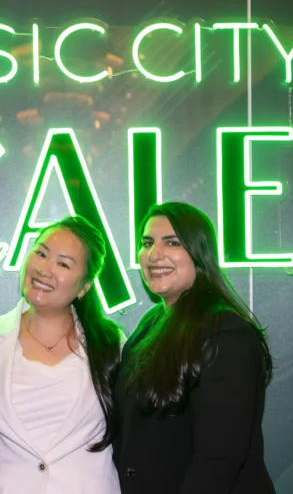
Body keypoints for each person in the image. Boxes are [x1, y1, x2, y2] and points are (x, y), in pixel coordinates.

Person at [113, 202, 275, 494]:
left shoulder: (225, 333)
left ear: (200, 253)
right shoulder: (152, 322)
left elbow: (219, 458)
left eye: (172, 243)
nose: (154, 254)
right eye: (147, 243)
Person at [0, 216, 124, 494]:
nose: (44, 269)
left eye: (63, 264)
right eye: (41, 253)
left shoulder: (112, 345)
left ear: (85, 287)